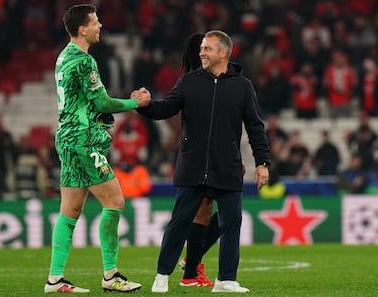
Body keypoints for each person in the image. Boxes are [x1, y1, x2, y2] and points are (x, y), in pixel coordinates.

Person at [136, 30, 270, 293]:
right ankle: (162, 276)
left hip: (228, 166)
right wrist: (145, 105)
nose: (201, 53)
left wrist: (262, 162)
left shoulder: (243, 86)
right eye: (201, 48)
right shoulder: (189, 81)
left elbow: (255, 127)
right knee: (178, 223)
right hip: (193, 166)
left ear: (223, 52)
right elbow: (166, 109)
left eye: (207, 48)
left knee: (232, 224)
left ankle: (226, 280)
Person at [43, 4, 150, 294]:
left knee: (71, 209)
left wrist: (97, 114)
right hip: (83, 140)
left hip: (67, 137)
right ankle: (111, 275)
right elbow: (102, 102)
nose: (100, 25)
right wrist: (134, 104)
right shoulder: (84, 61)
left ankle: (55, 279)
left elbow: (84, 103)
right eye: (95, 22)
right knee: (114, 201)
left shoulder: (63, 57)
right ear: (82, 29)